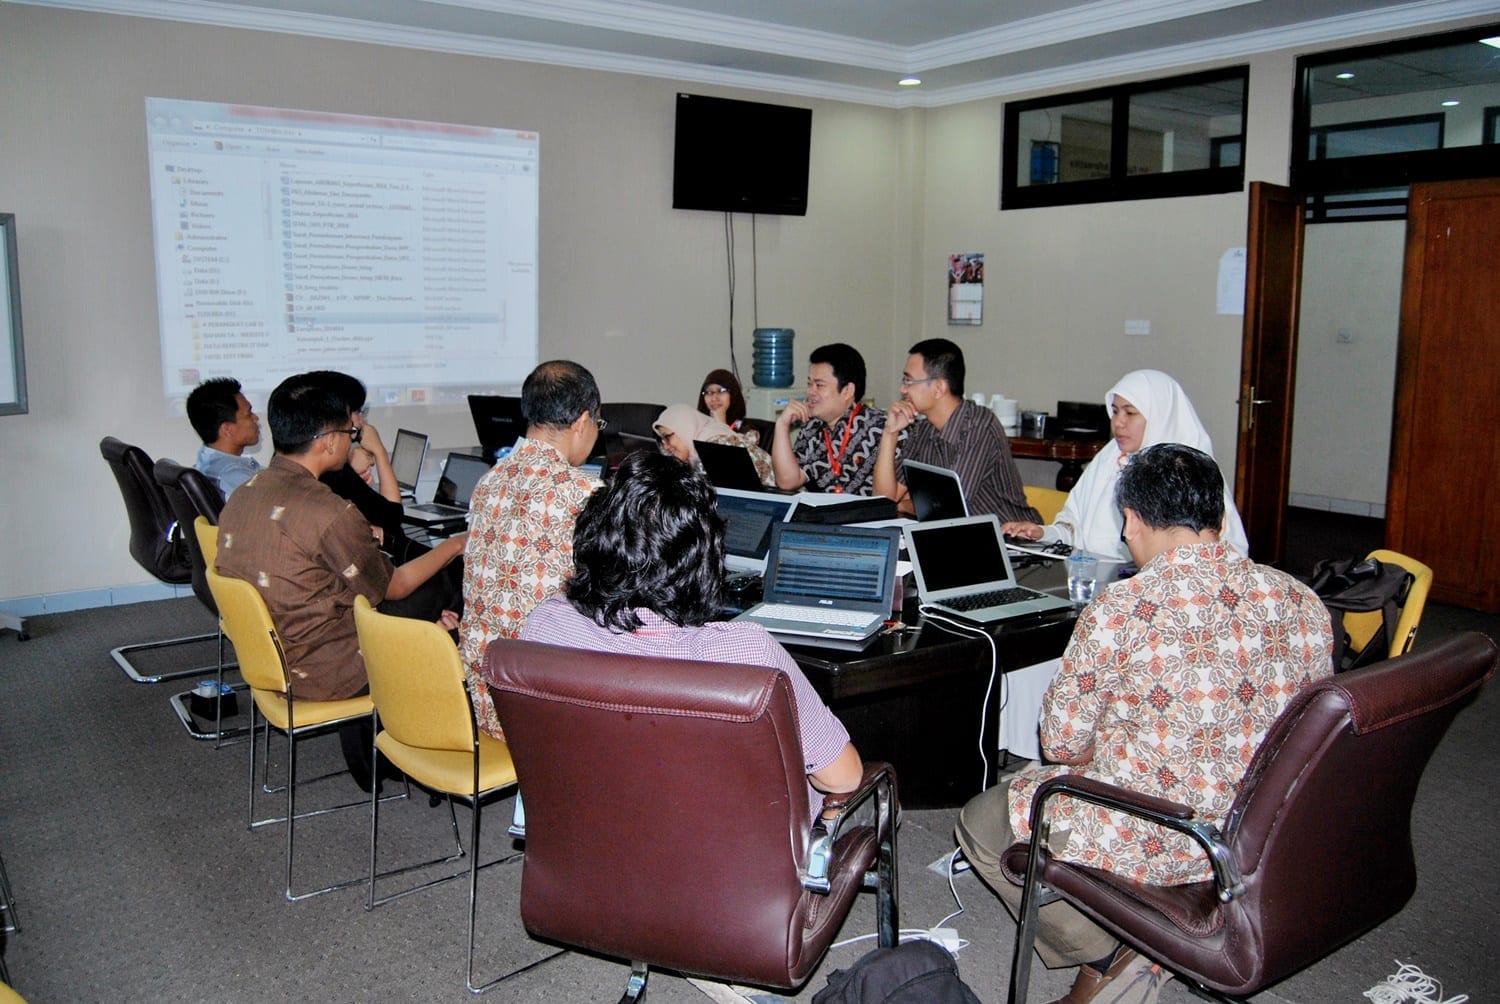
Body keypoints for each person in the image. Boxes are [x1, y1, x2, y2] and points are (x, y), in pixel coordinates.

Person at [954, 444, 1332, 1004]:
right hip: (1260, 829)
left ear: (1132, 521)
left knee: (981, 822)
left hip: (1162, 833)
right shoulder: (1302, 601)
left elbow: (1061, 743)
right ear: (1218, 515)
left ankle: (1113, 951)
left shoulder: (1121, 608)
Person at [520, 450, 863, 816]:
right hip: (730, 844)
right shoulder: (749, 653)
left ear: (595, 535)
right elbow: (842, 778)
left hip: (595, 831)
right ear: (705, 556)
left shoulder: (546, 625)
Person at [215, 373, 466, 785]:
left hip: (272, 657)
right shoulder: (327, 510)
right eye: (349, 434)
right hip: (325, 666)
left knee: (423, 601)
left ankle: (391, 730)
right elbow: (394, 586)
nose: (352, 442)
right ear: (329, 441)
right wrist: (455, 545)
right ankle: (414, 737)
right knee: (447, 585)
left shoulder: (245, 493)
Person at [459, 360, 603, 740]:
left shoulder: (488, 482)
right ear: (582, 422)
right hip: (535, 707)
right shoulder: (585, 494)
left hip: (477, 697)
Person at [1001, 369, 1250, 561]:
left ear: (1159, 415)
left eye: (1130, 413)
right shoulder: (1109, 457)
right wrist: (1044, 534)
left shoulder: (1190, 472)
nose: (1118, 422)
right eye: (1115, 411)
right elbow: (1074, 527)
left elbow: (1229, 552)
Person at [873, 338, 1038, 523]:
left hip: (1010, 536)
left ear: (938, 388)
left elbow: (949, 508)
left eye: (908, 381)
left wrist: (903, 505)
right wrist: (890, 433)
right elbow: (884, 501)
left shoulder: (979, 426)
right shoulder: (923, 430)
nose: (903, 389)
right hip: (956, 533)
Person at [770, 342, 892, 495]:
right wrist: (782, 425)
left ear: (847, 391)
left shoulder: (882, 428)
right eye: (809, 384)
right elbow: (788, 482)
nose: (810, 392)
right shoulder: (812, 426)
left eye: (819, 385)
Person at [654, 403, 775, 487]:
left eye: (667, 437)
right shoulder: (697, 448)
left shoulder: (717, 447)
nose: (665, 446)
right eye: (662, 439)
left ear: (684, 429)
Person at [186, 377, 261, 497]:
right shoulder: (232, 475)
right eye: (249, 414)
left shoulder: (208, 462)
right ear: (227, 429)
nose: (256, 418)